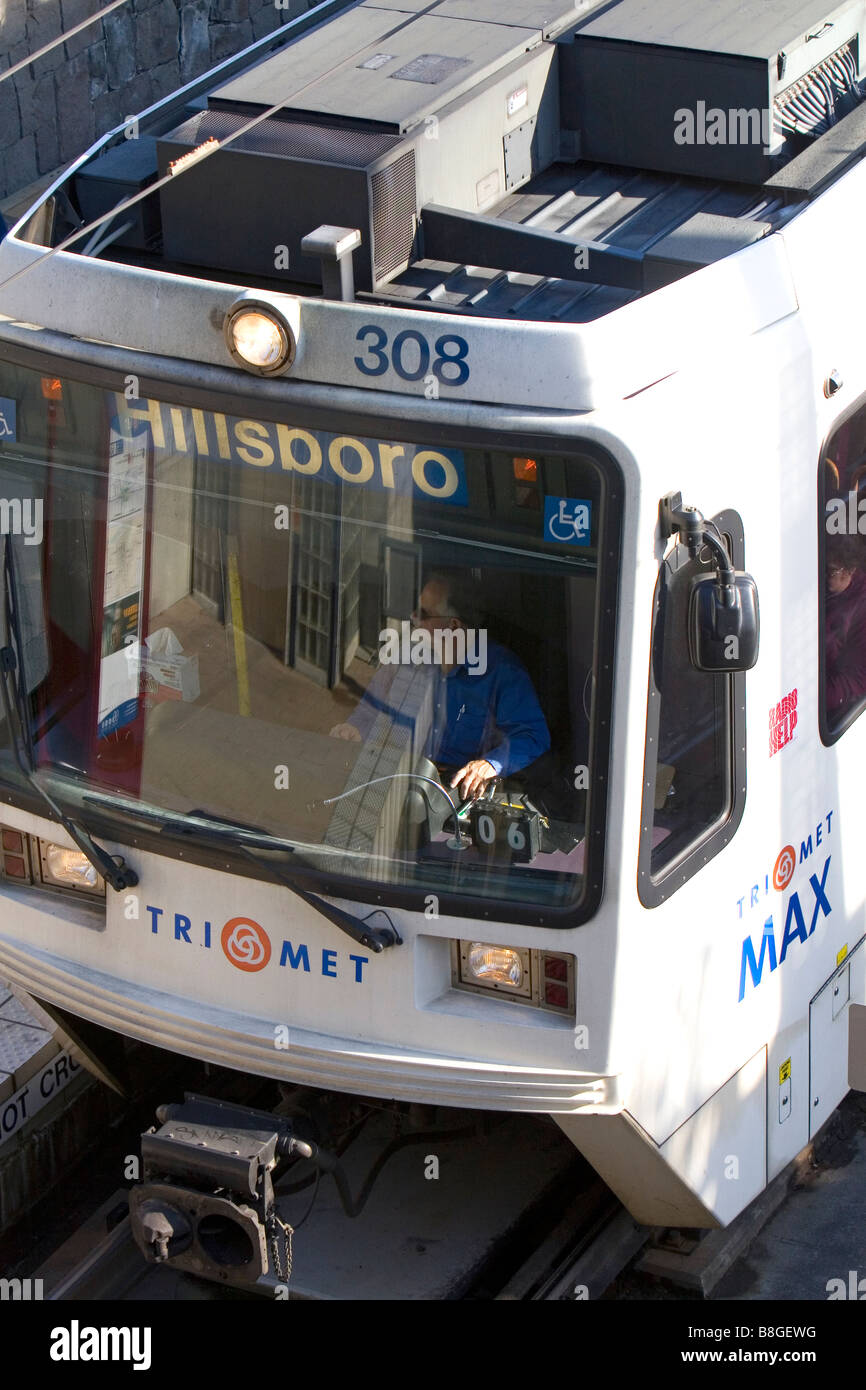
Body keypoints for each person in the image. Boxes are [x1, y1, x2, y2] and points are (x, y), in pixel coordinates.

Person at [331, 573, 550, 800]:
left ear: (453, 626)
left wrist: (490, 764)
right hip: (393, 782)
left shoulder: (503, 672)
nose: (413, 617)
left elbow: (533, 736)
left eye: (424, 613)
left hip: (456, 796)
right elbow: (368, 712)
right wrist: (354, 730)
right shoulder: (403, 657)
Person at [825, 533, 866, 724]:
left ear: (850, 570)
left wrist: (818, 697)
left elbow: (858, 680)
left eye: (831, 571)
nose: (823, 577)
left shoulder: (860, 608)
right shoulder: (829, 590)